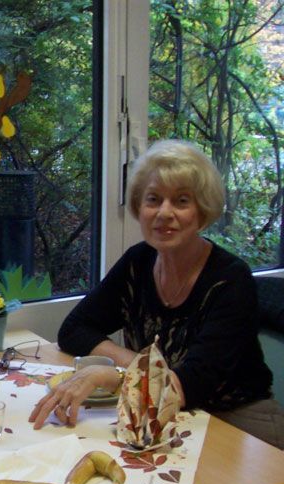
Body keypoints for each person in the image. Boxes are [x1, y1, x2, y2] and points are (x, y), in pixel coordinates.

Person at [30, 139, 283, 450]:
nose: (164, 212)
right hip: (157, 413)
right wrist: (136, 366)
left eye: (181, 201)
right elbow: (73, 331)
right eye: (153, 199)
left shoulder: (230, 279)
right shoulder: (139, 261)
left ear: (201, 211)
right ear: (140, 207)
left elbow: (192, 384)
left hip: (238, 421)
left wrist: (110, 374)